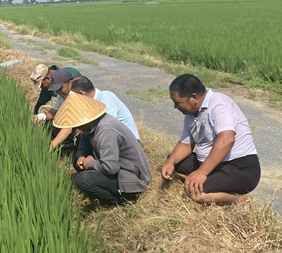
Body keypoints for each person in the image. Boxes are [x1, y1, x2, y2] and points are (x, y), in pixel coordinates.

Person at [161, 74, 260, 204]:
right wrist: (170, 162)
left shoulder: (220, 104)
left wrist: (201, 173)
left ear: (194, 97)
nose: (175, 107)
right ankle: (202, 182)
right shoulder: (191, 114)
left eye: (178, 102)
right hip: (210, 164)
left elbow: (227, 140)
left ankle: (241, 201)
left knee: (197, 195)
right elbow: (186, 144)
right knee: (173, 162)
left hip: (239, 167)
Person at [54, 93, 151, 205]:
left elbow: (110, 167)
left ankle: (119, 201)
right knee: (76, 161)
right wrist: (81, 156)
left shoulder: (105, 130)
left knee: (83, 179)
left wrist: (90, 163)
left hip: (132, 177)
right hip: (117, 166)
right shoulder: (91, 124)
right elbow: (84, 143)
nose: (76, 127)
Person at [70, 76, 140, 141]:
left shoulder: (106, 99)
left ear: (81, 94)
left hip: (127, 142)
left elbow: (106, 126)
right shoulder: (90, 103)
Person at [33, 69, 79, 152]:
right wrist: (40, 116)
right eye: (57, 90)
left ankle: (70, 150)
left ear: (70, 83)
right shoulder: (61, 95)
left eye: (60, 88)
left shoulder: (76, 96)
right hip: (69, 125)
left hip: (80, 129)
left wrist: (50, 148)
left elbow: (67, 129)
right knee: (48, 124)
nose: (59, 92)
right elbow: (52, 113)